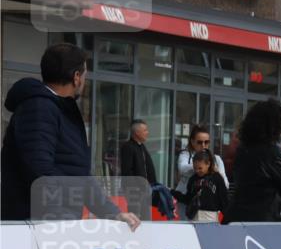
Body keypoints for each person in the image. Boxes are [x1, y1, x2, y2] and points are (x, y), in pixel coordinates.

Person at [0, 43, 140, 229]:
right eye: (85, 75)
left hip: (54, 225)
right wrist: (62, 222)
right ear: (76, 77)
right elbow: (40, 173)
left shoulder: (61, 110)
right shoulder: (39, 108)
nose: (85, 81)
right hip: (36, 227)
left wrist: (114, 213)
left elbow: (80, 176)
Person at [224, 98, 281, 223]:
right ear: (275, 127)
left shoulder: (242, 152)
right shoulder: (273, 153)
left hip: (239, 220)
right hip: (267, 225)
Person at [118, 119, 173, 220]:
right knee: (137, 218)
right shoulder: (128, 147)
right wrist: (139, 187)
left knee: (146, 218)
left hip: (145, 190)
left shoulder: (141, 146)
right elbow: (127, 172)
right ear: (137, 132)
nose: (147, 133)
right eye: (145, 130)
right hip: (134, 191)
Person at [175, 124, 227, 218]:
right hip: (186, 201)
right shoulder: (186, 155)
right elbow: (182, 168)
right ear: (192, 142)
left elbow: (224, 182)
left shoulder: (216, 159)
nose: (203, 145)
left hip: (208, 206)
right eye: (199, 142)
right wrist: (203, 166)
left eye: (206, 142)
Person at [172, 150, 228, 222]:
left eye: (200, 168)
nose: (197, 171)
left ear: (208, 164)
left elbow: (224, 200)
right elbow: (188, 199)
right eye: (195, 168)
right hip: (194, 216)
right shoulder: (192, 179)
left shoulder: (217, 178)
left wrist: (227, 219)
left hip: (210, 217)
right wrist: (173, 192)